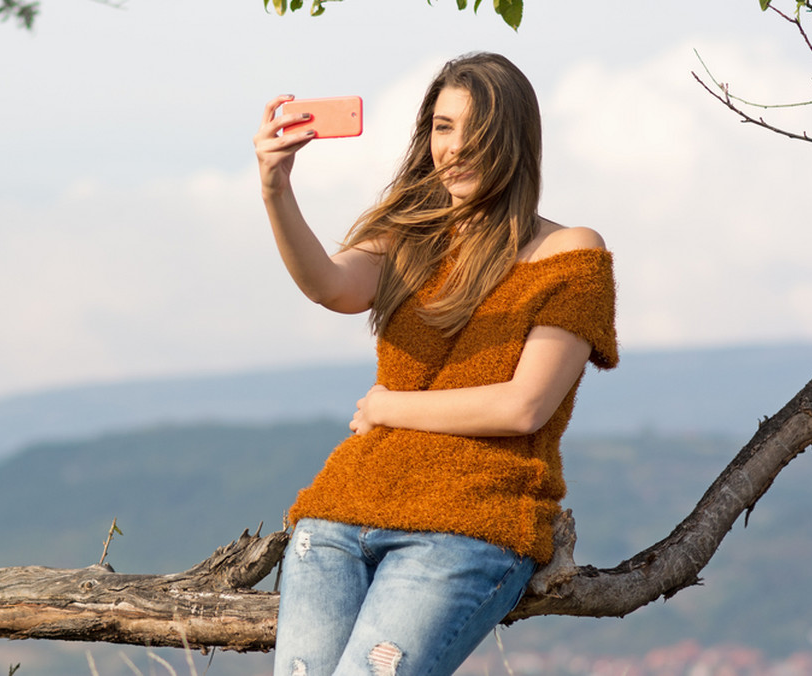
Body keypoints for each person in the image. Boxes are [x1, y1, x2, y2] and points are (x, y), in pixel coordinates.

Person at [252, 52, 618, 676]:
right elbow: (331, 286)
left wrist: (390, 406)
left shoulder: (570, 252)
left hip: (469, 522)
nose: (455, 147)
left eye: (476, 130)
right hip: (340, 512)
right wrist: (275, 188)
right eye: (443, 127)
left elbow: (523, 405)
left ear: (516, 138)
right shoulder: (408, 233)